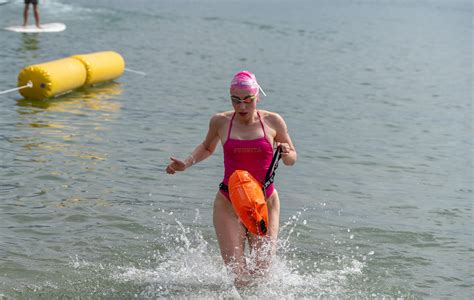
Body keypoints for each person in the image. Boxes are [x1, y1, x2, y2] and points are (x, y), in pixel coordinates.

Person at [165, 71, 297, 287]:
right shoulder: (220, 121)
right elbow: (207, 147)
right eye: (236, 100)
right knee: (239, 278)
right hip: (228, 202)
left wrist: (285, 152)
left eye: (248, 101)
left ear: (257, 97)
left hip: (264, 203)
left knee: (262, 275)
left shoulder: (273, 121)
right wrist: (186, 163)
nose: (242, 107)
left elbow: (292, 159)